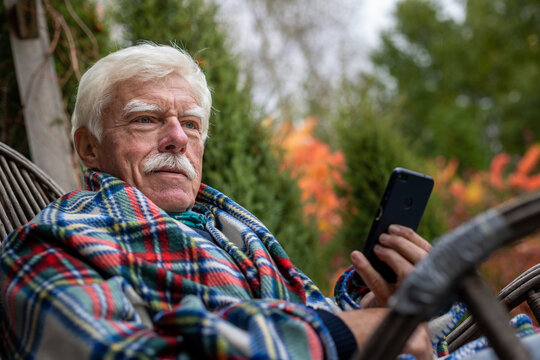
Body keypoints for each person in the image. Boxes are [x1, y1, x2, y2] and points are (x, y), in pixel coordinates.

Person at [0, 43, 455, 359]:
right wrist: (341, 335)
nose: (178, 137)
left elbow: (329, 326)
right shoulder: (48, 244)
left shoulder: (234, 231)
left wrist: (384, 310)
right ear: (89, 147)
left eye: (192, 125)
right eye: (146, 119)